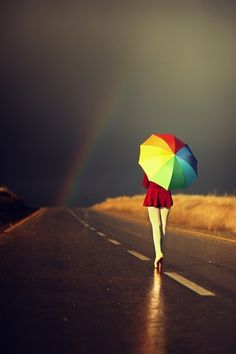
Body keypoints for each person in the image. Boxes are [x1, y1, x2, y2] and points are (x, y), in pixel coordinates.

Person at [142, 173, 173, 274]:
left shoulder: (152, 166)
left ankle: (158, 253)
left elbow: (145, 184)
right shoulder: (171, 168)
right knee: (163, 226)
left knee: (156, 225)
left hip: (152, 194)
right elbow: (172, 184)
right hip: (166, 194)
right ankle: (160, 253)